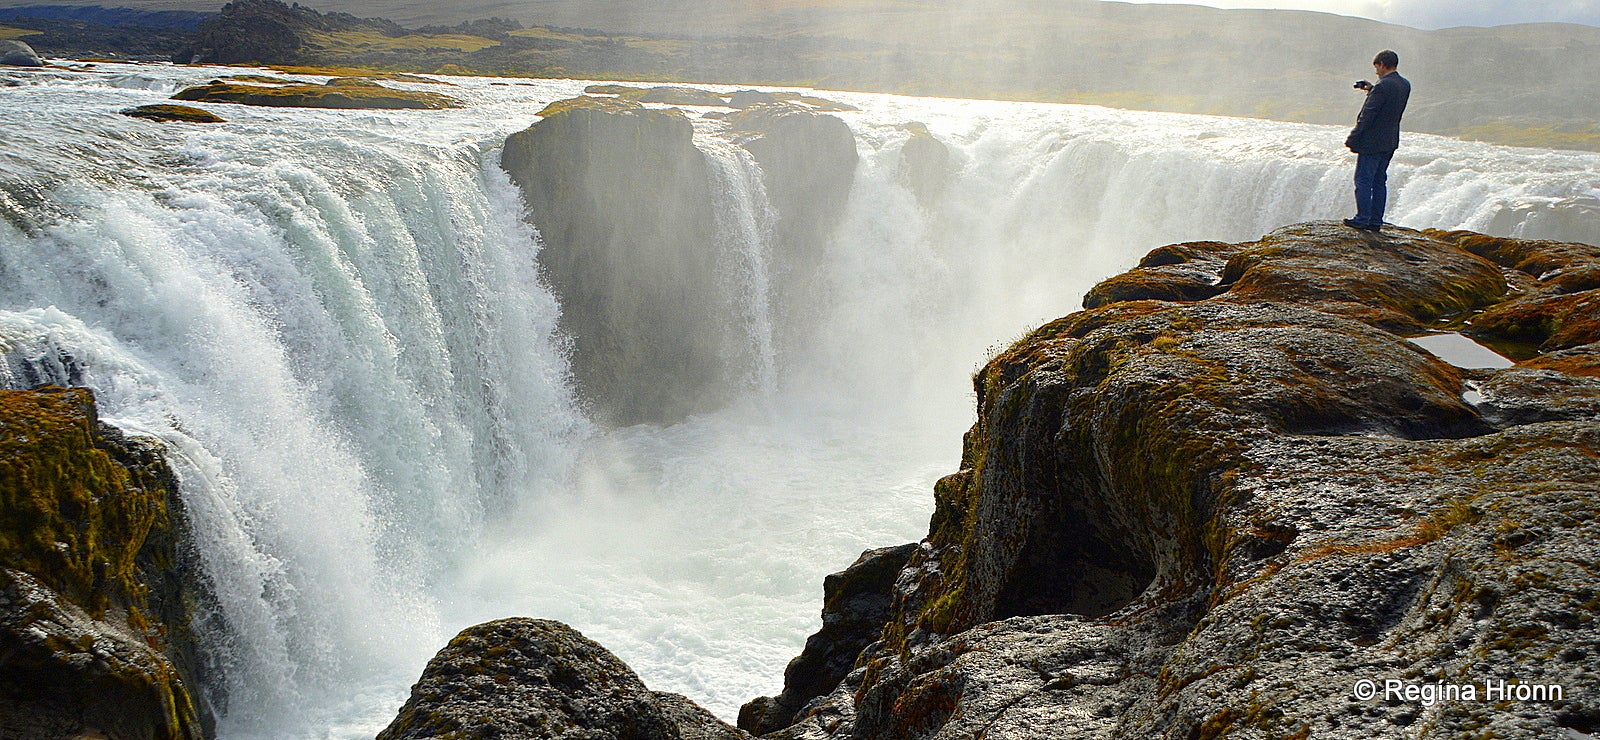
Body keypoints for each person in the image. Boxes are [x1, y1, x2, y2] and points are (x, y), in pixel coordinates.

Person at [1343, 50, 1410, 232]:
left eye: (1377, 67)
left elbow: (1368, 116)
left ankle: (1362, 218)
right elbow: (1388, 104)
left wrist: (1353, 137)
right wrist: (1371, 90)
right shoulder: (1404, 84)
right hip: (1390, 141)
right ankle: (1375, 221)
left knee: (1363, 180)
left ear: (1382, 64)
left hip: (1372, 142)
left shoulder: (1383, 87)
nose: (1376, 72)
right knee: (1379, 181)